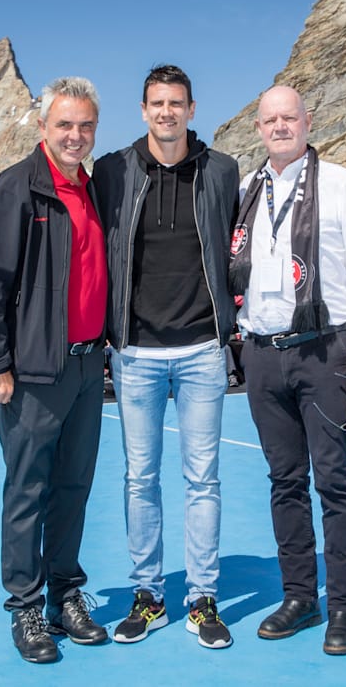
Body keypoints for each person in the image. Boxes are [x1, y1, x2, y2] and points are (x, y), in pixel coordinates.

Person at [90, 65, 240, 649]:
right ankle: (148, 595)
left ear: (192, 109)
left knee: (203, 479)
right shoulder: (113, 171)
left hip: (204, 349)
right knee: (139, 479)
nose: (167, 112)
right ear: (144, 109)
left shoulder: (222, 170)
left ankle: (203, 599)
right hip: (136, 353)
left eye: (176, 103)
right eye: (157, 103)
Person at [231, 86, 346, 656]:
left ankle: (345, 605)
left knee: (335, 481)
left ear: (306, 121)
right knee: (284, 482)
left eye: (288, 117)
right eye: (269, 119)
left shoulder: (342, 185)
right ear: (258, 126)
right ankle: (300, 595)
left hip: (325, 350)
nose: (279, 126)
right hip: (262, 354)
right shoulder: (248, 189)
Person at [0, 77, 111, 664]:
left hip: (85, 365)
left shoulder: (93, 190)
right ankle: (25, 605)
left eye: (85, 126)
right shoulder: (18, 188)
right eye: (64, 125)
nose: (75, 135)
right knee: (28, 489)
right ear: (43, 127)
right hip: (30, 372)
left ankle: (65, 595)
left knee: (74, 487)